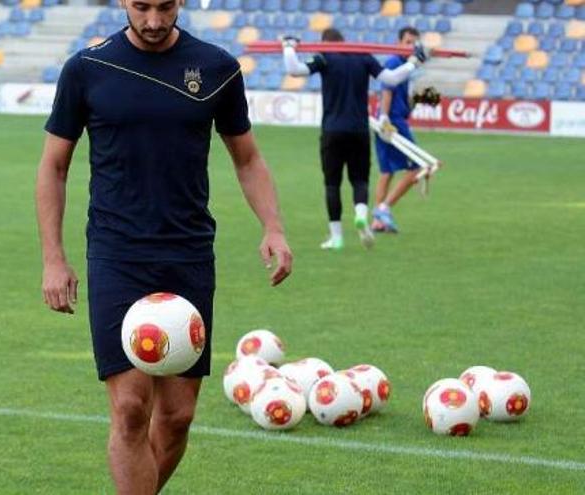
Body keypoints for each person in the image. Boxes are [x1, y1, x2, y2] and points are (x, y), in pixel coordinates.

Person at [35, 1, 293, 493]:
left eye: (166, 6)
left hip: (189, 255)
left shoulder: (217, 68)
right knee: (132, 409)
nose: (154, 21)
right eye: (141, 7)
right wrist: (54, 258)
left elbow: (248, 158)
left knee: (176, 416)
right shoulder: (87, 69)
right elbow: (53, 167)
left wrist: (273, 227)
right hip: (117, 255)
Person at [281, 29, 426, 250]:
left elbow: (293, 69)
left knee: (332, 184)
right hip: (359, 130)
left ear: (326, 43)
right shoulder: (363, 56)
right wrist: (414, 62)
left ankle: (336, 237)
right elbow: (391, 78)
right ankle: (360, 215)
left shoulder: (324, 57)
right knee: (360, 180)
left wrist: (289, 46)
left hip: (332, 130)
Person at [372, 27, 430, 233]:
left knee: (386, 171)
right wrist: (385, 118)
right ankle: (384, 209)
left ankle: (378, 220)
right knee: (418, 167)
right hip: (392, 122)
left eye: (413, 43)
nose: (410, 46)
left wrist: (411, 103)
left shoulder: (406, 65)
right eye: (407, 42)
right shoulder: (394, 62)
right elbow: (387, 91)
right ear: (398, 42)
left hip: (392, 119)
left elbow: (401, 95)